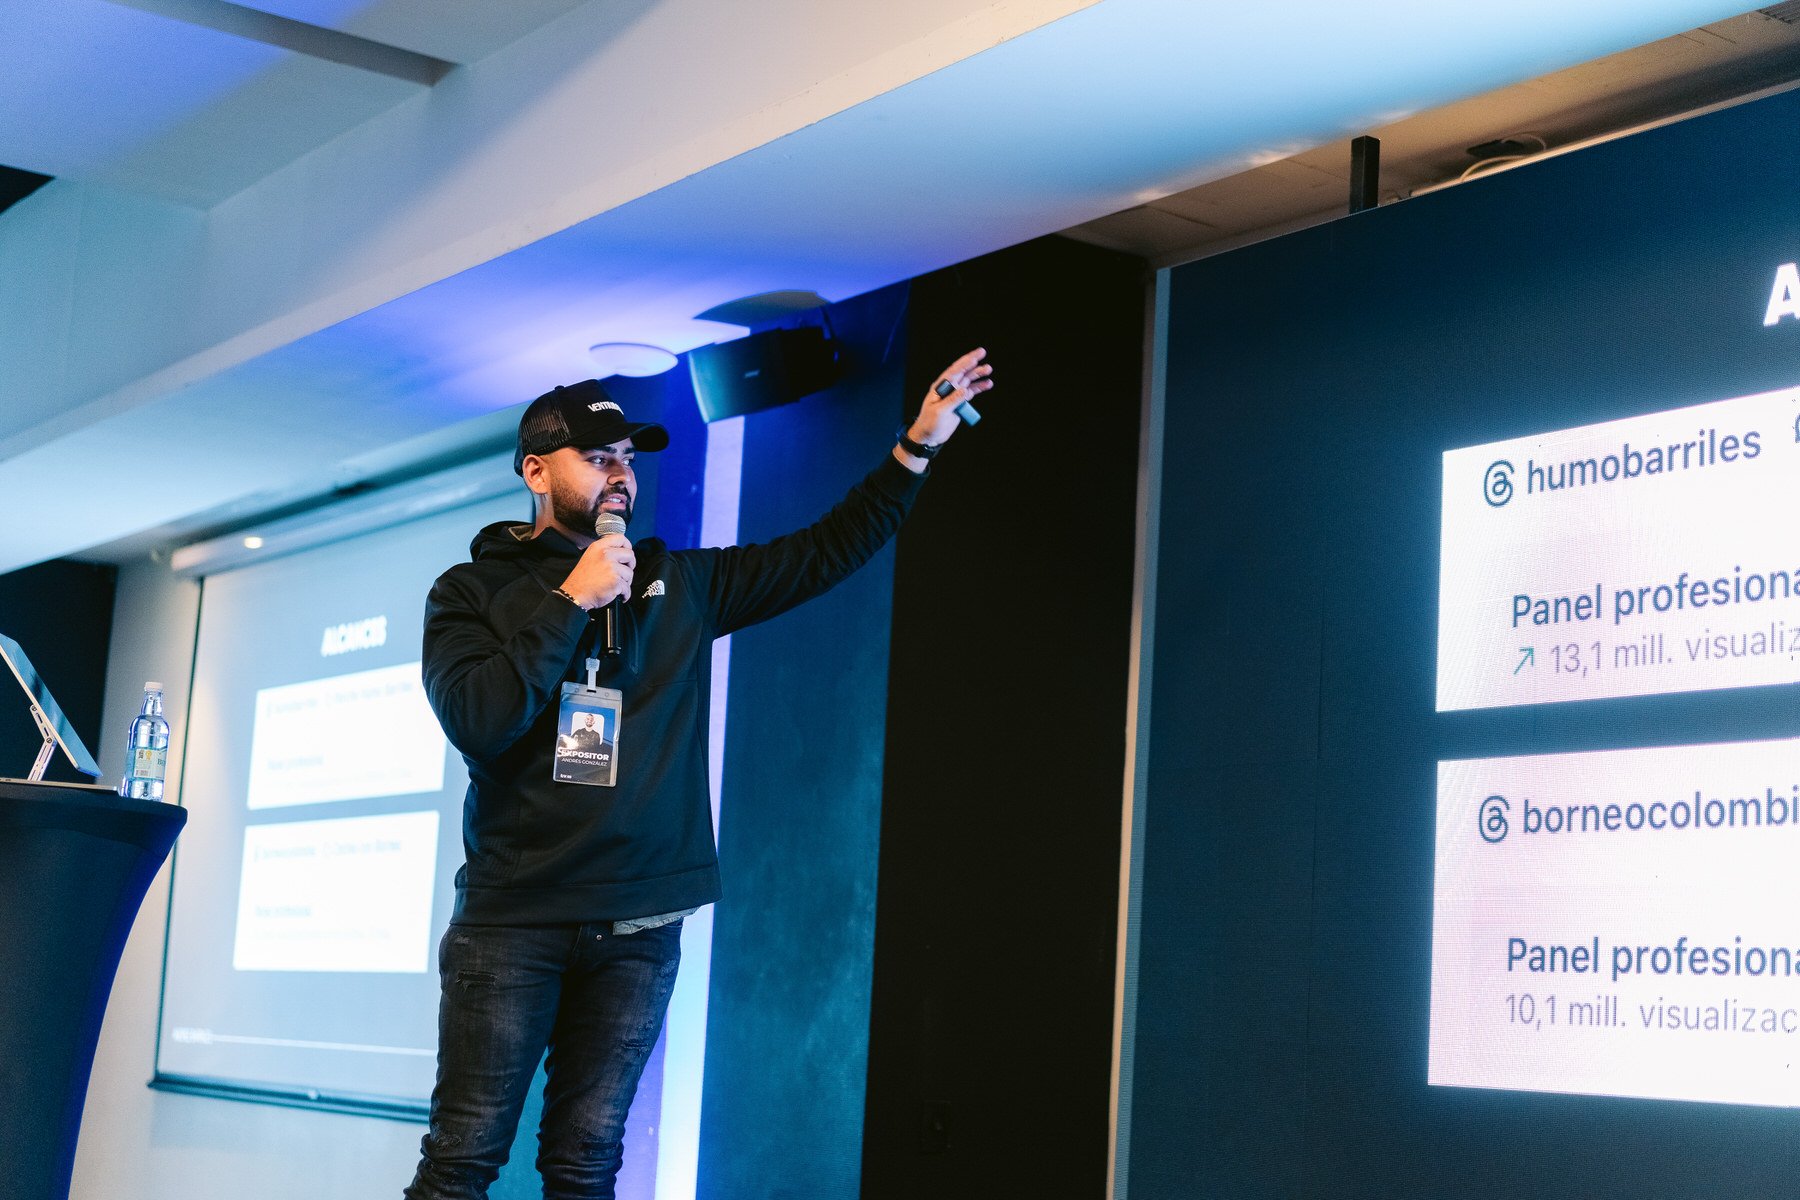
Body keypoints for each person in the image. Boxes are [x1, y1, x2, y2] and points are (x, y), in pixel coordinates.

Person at [403, 348, 993, 1199]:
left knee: (585, 1165)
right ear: (536, 470)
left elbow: (826, 549)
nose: (620, 475)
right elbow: (481, 719)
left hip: (640, 926)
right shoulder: (469, 592)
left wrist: (917, 445)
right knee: (462, 1161)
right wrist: (570, 600)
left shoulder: (679, 583)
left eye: (629, 460)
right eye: (597, 456)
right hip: (515, 922)